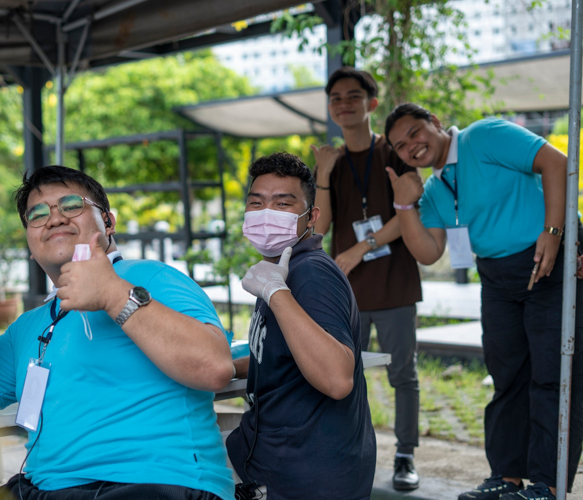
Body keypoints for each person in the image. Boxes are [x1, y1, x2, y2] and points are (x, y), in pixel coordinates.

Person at [0, 165, 235, 500]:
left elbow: (215, 368)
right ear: (31, 243)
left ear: (108, 222)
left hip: (157, 483)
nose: (55, 218)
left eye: (72, 205)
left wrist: (113, 294)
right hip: (45, 488)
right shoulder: (29, 325)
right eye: (38, 214)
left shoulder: (153, 278)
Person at [384, 103, 583, 500]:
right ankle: (506, 477)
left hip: (549, 260)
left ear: (436, 123)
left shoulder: (484, 135)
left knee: (552, 376)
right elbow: (427, 252)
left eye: (415, 133)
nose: (412, 147)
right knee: (506, 377)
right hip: (495, 277)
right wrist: (404, 204)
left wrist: (555, 231)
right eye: (400, 147)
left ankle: (548, 484)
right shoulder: (438, 190)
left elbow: (556, 162)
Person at [225, 152, 376, 500]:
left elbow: (337, 379)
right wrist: (226, 366)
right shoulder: (280, 268)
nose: (267, 213)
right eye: (257, 202)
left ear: (312, 217)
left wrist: (277, 294)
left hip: (307, 476)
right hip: (274, 460)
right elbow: (285, 353)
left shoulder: (309, 274)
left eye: (283, 203)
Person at [311, 67, 422, 491]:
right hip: (348, 293)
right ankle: (345, 451)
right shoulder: (333, 162)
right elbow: (319, 228)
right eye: (336, 98)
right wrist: (322, 173)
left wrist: (361, 246)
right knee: (341, 373)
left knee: (403, 376)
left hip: (395, 284)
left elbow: (408, 213)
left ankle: (405, 454)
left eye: (353, 96)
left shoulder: (393, 151)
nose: (344, 103)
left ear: (371, 104)